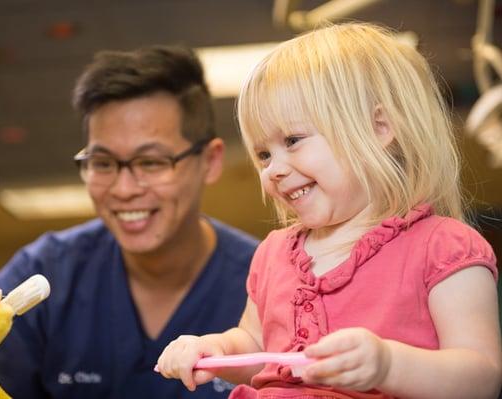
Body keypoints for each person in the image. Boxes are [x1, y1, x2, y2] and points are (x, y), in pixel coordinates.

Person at [156, 23, 502, 399]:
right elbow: (256, 345)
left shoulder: (444, 246)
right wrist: (218, 349)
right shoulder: (273, 254)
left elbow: (481, 377)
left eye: (293, 140)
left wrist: (388, 365)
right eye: (263, 155)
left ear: (378, 129)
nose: (275, 168)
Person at [0, 45, 259, 398]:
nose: (124, 189)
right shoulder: (42, 276)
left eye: (151, 163)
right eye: (102, 163)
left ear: (209, 160)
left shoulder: (271, 284)